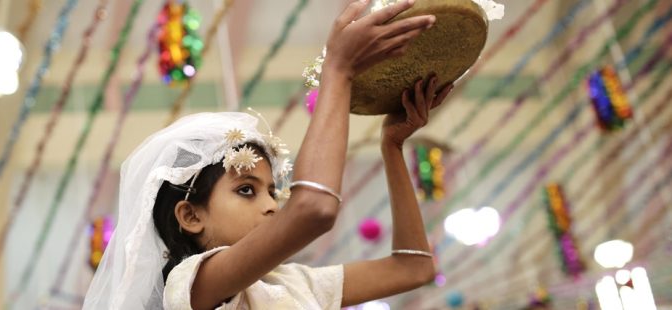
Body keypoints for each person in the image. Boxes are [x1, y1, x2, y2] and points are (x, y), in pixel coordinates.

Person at [84, 0, 453, 308]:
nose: (273, 205)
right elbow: (314, 209)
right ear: (191, 215)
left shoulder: (291, 282)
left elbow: (413, 268)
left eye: (273, 191)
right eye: (247, 189)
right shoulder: (192, 284)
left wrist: (391, 146)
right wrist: (338, 71)